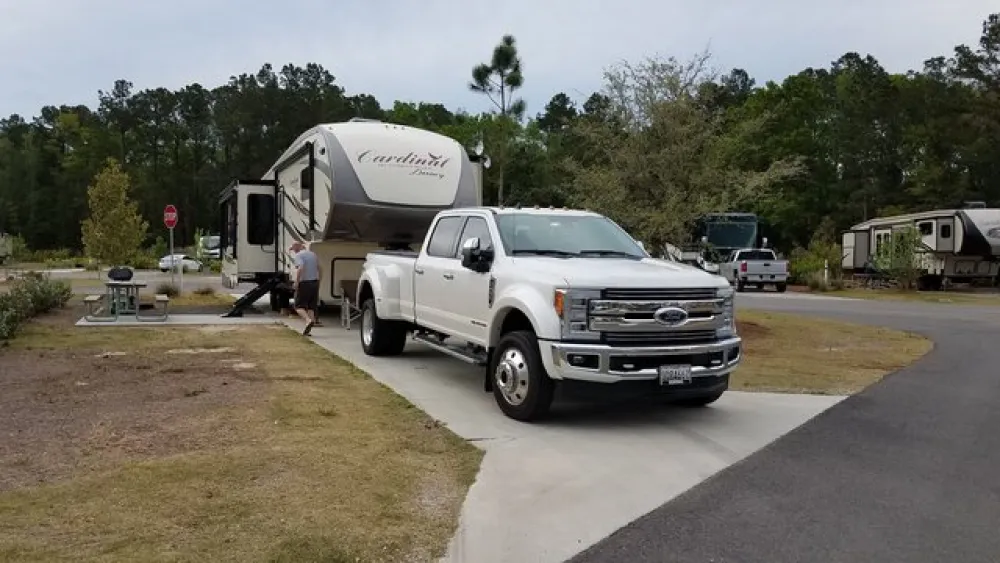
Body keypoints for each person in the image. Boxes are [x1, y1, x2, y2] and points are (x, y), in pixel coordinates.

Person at [290, 241, 321, 335]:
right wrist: (319, 280)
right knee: (311, 307)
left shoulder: (299, 255)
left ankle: (308, 320)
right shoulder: (313, 254)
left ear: (297, 247)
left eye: (293, 249)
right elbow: (319, 268)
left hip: (304, 283)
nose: (293, 251)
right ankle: (309, 328)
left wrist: (297, 282)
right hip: (314, 282)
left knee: (298, 306)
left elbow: (301, 268)